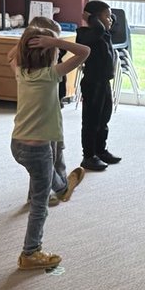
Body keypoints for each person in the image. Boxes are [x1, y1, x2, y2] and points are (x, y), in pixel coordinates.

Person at [10, 20, 89, 271]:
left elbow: (11, 56)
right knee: (40, 204)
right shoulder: (51, 75)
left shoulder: (21, 73)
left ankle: (63, 188)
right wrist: (54, 40)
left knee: (43, 176)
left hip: (17, 145)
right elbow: (85, 52)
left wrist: (27, 40)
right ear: (50, 55)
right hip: (38, 150)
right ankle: (30, 252)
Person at [8, 16, 71, 204]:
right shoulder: (46, 72)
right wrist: (28, 38)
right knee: (48, 157)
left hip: (52, 111)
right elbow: (84, 52)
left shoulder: (36, 70)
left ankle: (51, 188)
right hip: (43, 124)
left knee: (50, 156)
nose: (55, 48)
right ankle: (56, 188)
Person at [75, 0, 120, 172]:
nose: (111, 19)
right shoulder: (85, 34)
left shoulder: (104, 32)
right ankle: (88, 156)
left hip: (104, 82)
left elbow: (109, 26)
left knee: (104, 118)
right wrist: (91, 19)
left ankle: (100, 150)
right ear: (94, 18)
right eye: (107, 16)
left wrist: (107, 18)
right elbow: (99, 29)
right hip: (92, 83)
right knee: (91, 121)